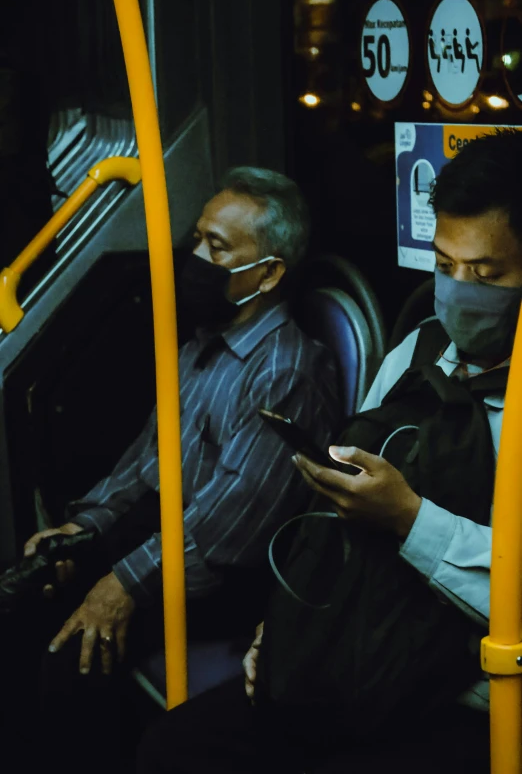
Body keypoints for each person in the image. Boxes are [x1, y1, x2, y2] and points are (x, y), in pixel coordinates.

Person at [136, 129, 522, 774]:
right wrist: (280, 637)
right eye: (445, 265)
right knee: (175, 749)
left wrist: (408, 519)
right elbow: (331, 540)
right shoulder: (416, 354)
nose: (457, 291)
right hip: (363, 650)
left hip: (473, 692)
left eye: (485, 274)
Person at [0, 167, 341, 773]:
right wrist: (88, 532)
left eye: (219, 247)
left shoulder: (287, 372)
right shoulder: (197, 346)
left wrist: (122, 584)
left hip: (229, 575)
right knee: (28, 601)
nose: (198, 257)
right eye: (198, 240)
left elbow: (230, 529)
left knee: (70, 654)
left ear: (269, 272)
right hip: (173, 543)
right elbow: (145, 466)